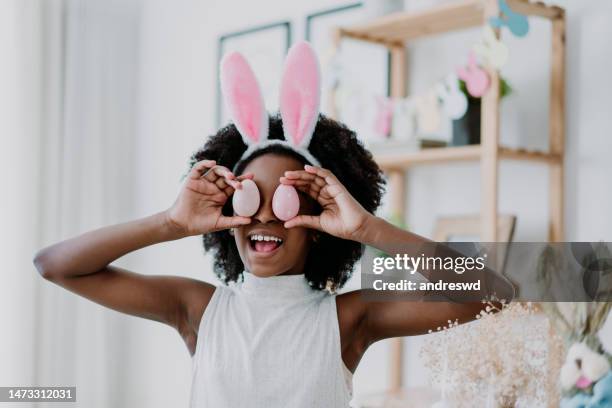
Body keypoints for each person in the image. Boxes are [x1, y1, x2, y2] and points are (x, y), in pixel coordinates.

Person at [33, 42, 512, 407]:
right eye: (247, 197)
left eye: (284, 201)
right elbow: (54, 265)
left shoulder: (348, 317)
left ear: (319, 222)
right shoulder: (199, 309)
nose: (262, 215)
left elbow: (493, 292)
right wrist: (170, 222)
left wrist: (368, 230)